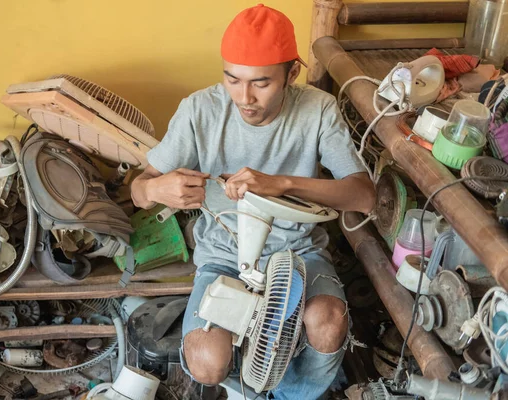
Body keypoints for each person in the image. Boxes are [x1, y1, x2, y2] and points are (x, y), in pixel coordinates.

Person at [130, 4, 376, 399]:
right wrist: (155, 190)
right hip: (224, 257)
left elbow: (363, 195)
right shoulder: (199, 111)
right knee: (207, 360)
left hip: (298, 253)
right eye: (232, 79)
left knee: (327, 322)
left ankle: (295, 394)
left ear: (291, 73)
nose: (244, 98)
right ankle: (248, 389)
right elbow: (137, 187)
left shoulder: (317, 109)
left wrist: (280, 183)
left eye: (261, 83)